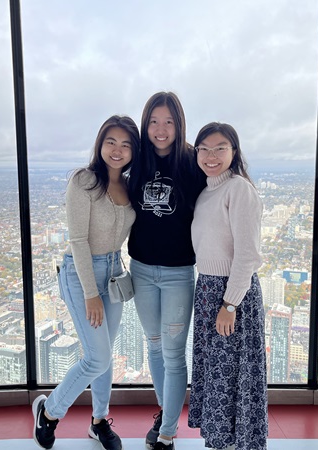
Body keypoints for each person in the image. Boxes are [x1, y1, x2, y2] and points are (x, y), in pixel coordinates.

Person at [32, 115, 140, 450]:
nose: (117, 150)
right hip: (83, 275)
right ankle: (49, 412)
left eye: (125, 143)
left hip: (115, 271)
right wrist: (91, 294)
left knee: (106, 355)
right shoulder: (83, 181)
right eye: (111, 141)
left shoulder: (131, 183)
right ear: (100, 143)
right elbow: (78, 241)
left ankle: (99, 421)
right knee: (96, 357)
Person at [127, 92, 206, 450]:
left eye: (168, 122)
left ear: (179, 124)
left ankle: (168, 433)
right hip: (141, 269)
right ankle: (165, 413)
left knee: (174, 353)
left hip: (178, 274)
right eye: (154, 121)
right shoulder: (138, 160)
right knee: (154, 346)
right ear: (146, 124)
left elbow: (219, 194)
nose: (161, 130)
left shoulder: (192, 162)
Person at [187, 122, 268, 450]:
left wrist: (230, 303)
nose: (211, 155)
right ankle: (222, 442)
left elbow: (248, 254)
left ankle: (237, 444)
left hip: (232, 296)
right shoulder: (208, 191)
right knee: (218, 374)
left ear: (234, 152)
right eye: (204, 148)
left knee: (233, 376)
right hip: (208, 291)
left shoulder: (239, 189)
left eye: (220, 148)